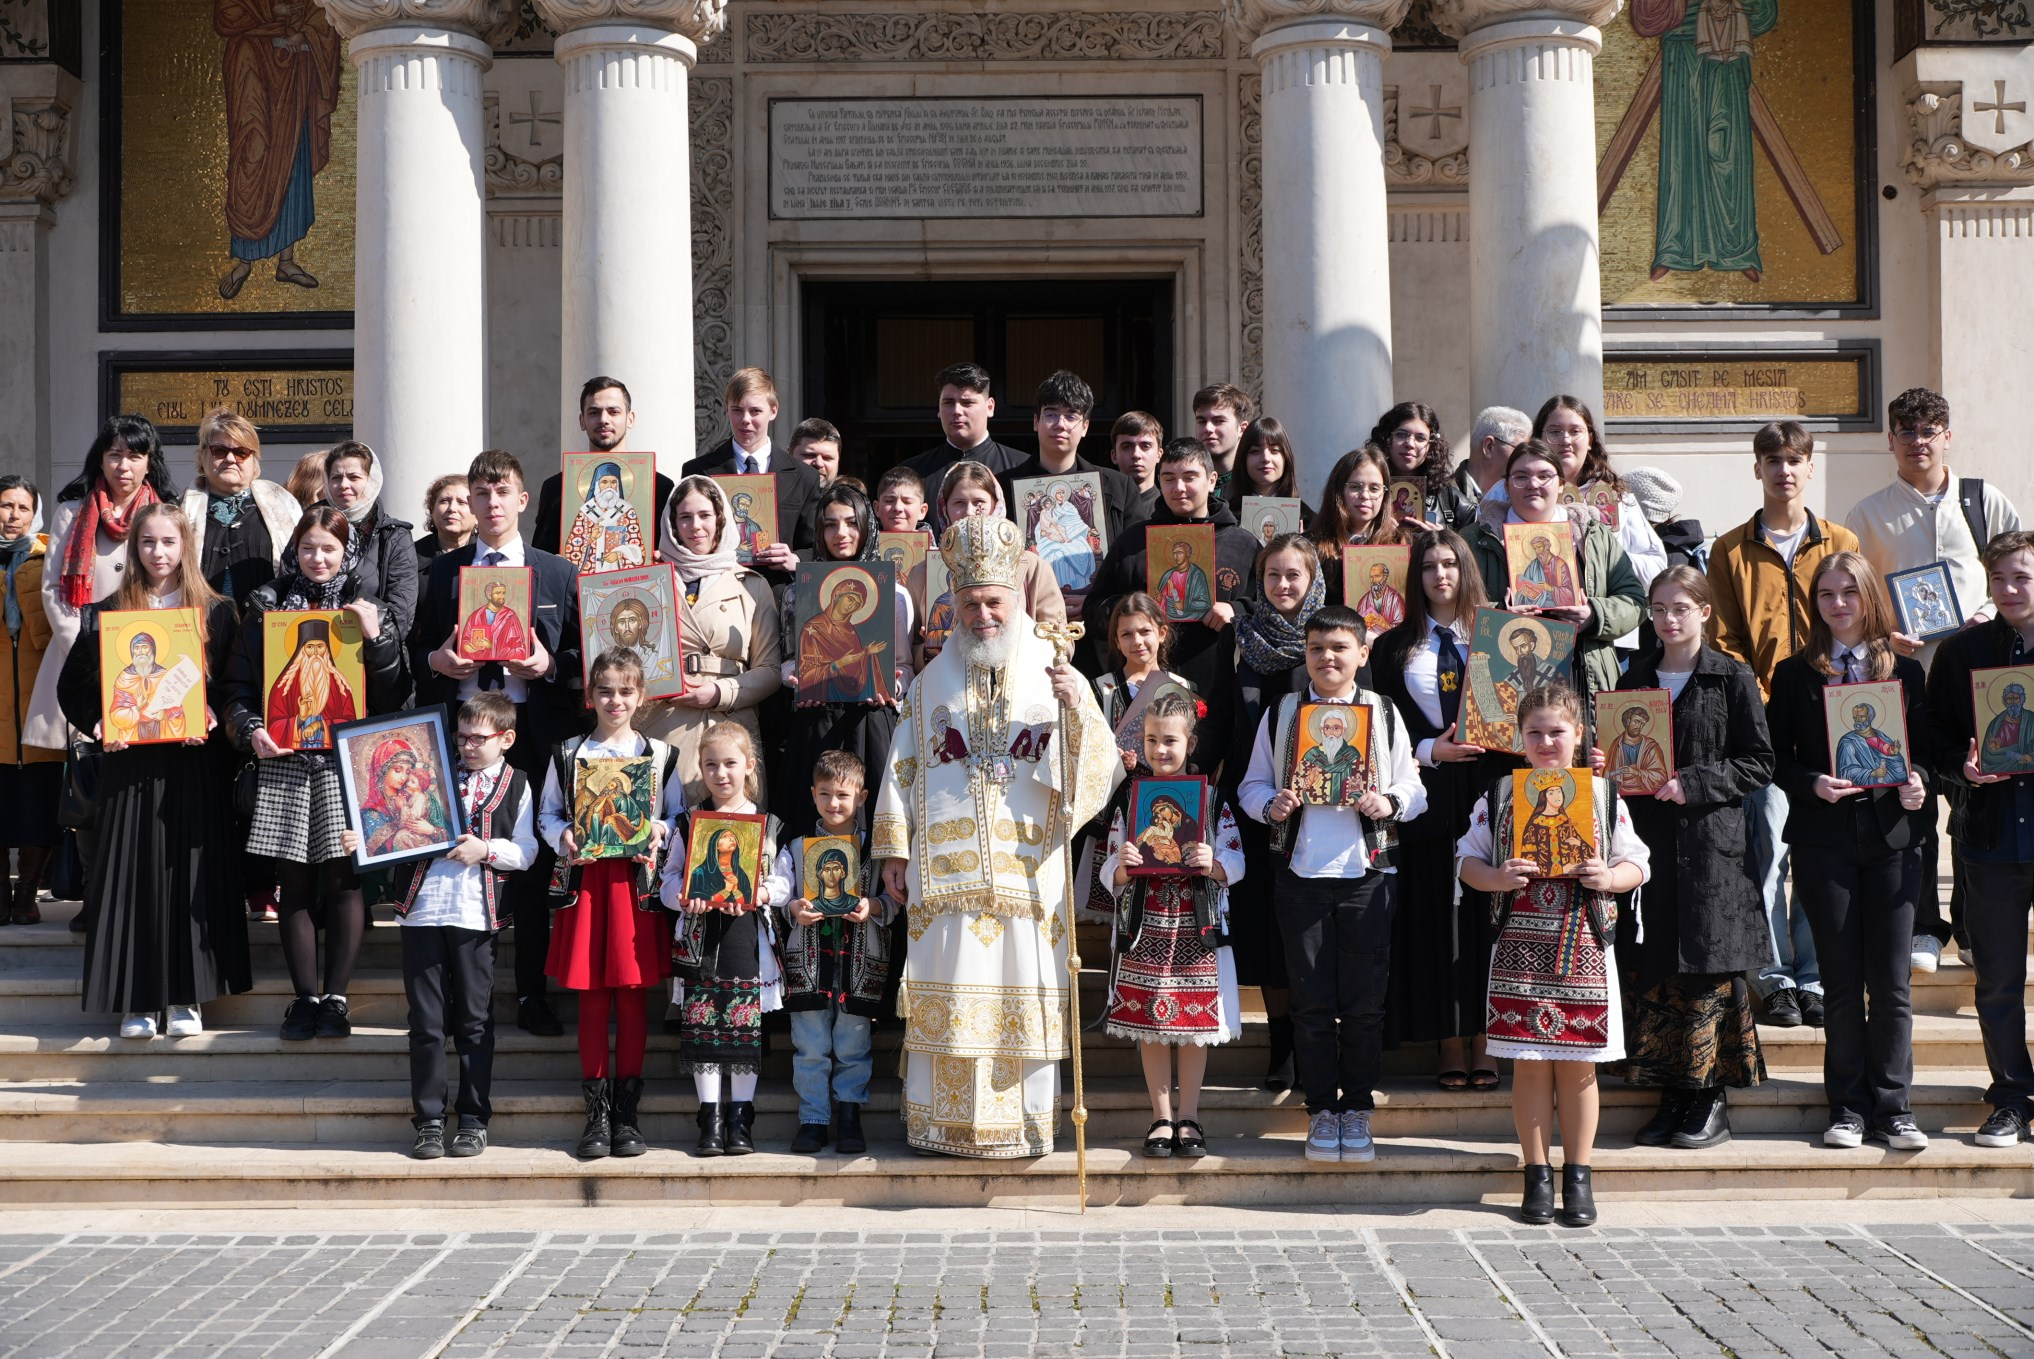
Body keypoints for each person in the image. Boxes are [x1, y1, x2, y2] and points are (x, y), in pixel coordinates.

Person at [874, 513, 1124, 1157]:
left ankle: (1024, 1125)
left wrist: (1076, 715)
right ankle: (943, 1125)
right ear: (953, 604)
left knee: (1022, 983)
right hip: (946, 875)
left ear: (1015, 598)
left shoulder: (1055, 668)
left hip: (1028, 867)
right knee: (953, 982)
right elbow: (903, 765)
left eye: (993, 602)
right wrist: (894, 849)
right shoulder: (929, 683)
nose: (983, 614)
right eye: (970, 603)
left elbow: (1097, 773)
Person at [1457, 683, 1649, 1226]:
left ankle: (1579, 1176)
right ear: (1519, 738)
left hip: (1582, 941)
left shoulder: (1604, 795)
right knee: (1530, 1069)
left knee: (1579, 1067)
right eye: (1535, 733)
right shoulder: (1499, 796)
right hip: (1519, 944)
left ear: (1579, 734)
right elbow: (1465, 862)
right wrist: (1497, 875)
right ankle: (1536, 1174)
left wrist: (1609, 877)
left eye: (1557, 732)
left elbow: (1639, 862)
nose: (1546, 742)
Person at [1240, 605, 1426, 1164]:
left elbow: (1414, 789)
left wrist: (1387, 801)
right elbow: (1251, 786)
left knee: (1364, 1005)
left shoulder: (1384, 713)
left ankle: (1358, 1110)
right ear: (1305, 653)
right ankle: (1321, 1110)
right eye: (1318, 648)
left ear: (1362, 655)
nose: (1328, 658)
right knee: (1311, 1002)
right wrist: (1270, 805)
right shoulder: (1283, 715)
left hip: (1367, 873)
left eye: (1340, 648)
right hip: (1300, 873)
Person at [54, 503, 248, 1037]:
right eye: (147, 543)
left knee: (190, 877)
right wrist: (100, 724)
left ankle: (187, 998)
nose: (158, 553)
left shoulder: (216, 611)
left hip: (194, 762)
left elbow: (236, 688)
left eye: (168, 542)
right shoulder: (108, 612)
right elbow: (72, 688)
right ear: (133, 549)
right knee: (132, 877)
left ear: (185, 546)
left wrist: (212, 712)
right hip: (130, 766)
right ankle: (136, 999)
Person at [1847, 387, 2023, 974]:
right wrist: (1883, 635)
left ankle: (1973, 925)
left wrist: (1991, 616)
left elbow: (2018, 571)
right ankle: (1925, 926)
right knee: (1914, 801)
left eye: (1929, 431)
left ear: (1947, 436)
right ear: (1889, 440)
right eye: (1906, 431)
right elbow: (1857, 595)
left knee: (1983, 791)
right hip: (1908, 677)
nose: (1917, 442)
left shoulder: (1983, 500)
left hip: (1983, 673)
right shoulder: (1868, 514)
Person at [1766, 551, 1936, 1152]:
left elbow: (1929, 752)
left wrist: (1918, 782)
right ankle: (1848, 1109)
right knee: (1839, 982)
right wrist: (1811, 782)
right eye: (1826, 595)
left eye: (1849, 593)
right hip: (1824, 841)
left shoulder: (1906, 673)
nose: (1838, 604)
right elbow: (1773, 757)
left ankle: (1894, 1108)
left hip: (1893, 842)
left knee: (1890, 983)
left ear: (1869, 597)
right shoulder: (1794, 674)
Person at [413, 450, 584, 1039]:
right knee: (460, 855)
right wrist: (438, 659)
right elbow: (417, 651)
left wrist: (548, 665)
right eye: (479, 493)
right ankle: (462, 996)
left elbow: (582, 656)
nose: (489, 504)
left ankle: (532, 993)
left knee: (532, 869)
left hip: (533, 734)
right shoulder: (443, 569)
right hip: (464, 730)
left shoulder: (556, 572)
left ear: (521, 500)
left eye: (500, 491)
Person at [225, 506, 408, 1041]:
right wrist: (251, 728)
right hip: (284, 762)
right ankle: (304, 997)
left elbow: (394, 694)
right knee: (294, 881)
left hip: (346, 764)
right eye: (309, 548)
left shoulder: (367, 608)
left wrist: (377, 640)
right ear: (295, 550)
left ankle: (337, 999)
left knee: (345, 878)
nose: (318, 558)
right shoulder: (265, 606)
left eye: (329, 548)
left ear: (346, 551)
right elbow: (238, 687)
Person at [1609, 567, 1775, 1150]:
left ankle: (1710, 1100)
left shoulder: (1730, 677)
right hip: (1650, 845)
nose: (1668, 619)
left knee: (1705, 966)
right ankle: (1671, 1094)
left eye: (1681, 607)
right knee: (1656, 968)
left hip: (1711, 849)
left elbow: (1759, 762)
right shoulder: (1634, 680)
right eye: (1658, 608)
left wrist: (1695, 782)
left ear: (1705, 611)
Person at [1709, 421, 1855, 1026]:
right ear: (1758, 468)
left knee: (1820, 854)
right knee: (1766, 849)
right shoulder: (1731, 549)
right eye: (1772, 459)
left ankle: (1814, 974)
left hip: (1830, 726)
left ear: (1810, 468)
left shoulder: (1839, 539)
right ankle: (1772, 973)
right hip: (1765, 726)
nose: (1784, 470)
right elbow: (1724, 638)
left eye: (1794, 459)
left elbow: (1854, 617)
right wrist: (1766, 702)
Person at [351, 692, 535, 1160]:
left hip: (476, 914)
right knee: (427, 1023)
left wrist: (486, 850)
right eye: (462, 736)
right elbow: (387, 827)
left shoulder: (518, 784)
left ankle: (473, 1119)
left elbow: (527, 851)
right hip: (422, 910)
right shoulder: (428, 777)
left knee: (474, 1021)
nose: (468, 745)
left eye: (479, 737)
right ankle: (429, 1120)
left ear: (506, 739)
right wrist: (363, 840)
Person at [1370, 527, 1513, 1091]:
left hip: (1491, 788)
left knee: (1489, 918)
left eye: (1450, 563)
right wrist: (1432, 749)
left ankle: (1488, 1038)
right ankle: (1450, 1041)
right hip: (1427, 793)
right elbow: (1381, 727)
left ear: (1467, 569)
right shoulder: (1393, 645)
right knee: (1437, 918)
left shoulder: (1499, 634)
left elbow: (1527, 707)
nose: (1440, 575)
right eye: (1429, 566)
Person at [541, 647, 684, 1160]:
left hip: (636, 887)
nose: (615, 700)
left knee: (630, 997)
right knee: (593, 999)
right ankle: (596, 1115)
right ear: (590, 696)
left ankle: (627, 1114)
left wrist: (657, 834)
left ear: (641, 696)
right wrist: (565, 838)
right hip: (587, 886)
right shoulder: (568, 753)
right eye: (605, 690)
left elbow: (677, 816)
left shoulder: (662, 755)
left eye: (625, 691)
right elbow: (548, 815)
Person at [1926, 531, 2034, 1150]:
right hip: (1989, 837)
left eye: (2022, 577)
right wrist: (1959, 767)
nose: (2010, 590)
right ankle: (2013, 1097)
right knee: (1996, 979)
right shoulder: (1963, 651)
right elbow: (1933, 731)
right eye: (2000, 580)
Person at [1102, 691, 1245, 1157]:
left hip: (1195, 925)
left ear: (1191, 742)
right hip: (1146, 924)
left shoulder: (1213, 799)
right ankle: (1161, 1116)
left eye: (1169, 740)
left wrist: (1214, 862)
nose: (1160, 750)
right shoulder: (1131, 798)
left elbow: (1237, 857)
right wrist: (1122, 865)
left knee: (1192, 1024)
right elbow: (1110, 865)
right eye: (1151, 740)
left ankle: (1190, 1116)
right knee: (1150, 1024)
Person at [1085, 438, 1257, 764]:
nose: (1179, 487)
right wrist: (1134, 611)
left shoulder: (1243, 544)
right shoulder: (1134, 541)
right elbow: (1094, 611)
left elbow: (1268, 609)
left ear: (1211, 480)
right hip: (1142, 703)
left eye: (1190, 477)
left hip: (1217, 695)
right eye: (1168, 478)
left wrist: (1235, 610)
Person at [1228, 533, 1327, 1091]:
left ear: (1312, 579)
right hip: (1255, 802)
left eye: (1294, 575)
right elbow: (1222, 712)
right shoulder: (1243, 639)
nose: (1283, 585)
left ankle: (1317, 1039)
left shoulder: (1330, 640)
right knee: (1267, 926)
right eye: (1272, 576)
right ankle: (1281, 1042)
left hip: (1324, 807)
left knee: (1312, 926)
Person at [663, 721, 786, 1157]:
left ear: (749, 766)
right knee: (703, 1029)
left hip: (745, 939)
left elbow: (784, 883)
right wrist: (682, 898)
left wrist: (760, 893)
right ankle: (710, 1120)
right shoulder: (688, 822)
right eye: (711, 764)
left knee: (741, 1031)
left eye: (731, 763)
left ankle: (740, 1120)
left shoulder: (767, 824)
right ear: (701, 768)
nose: (721, 773)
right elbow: (670, 878)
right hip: (701, 938)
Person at [25, 416, 180, 761]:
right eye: (114, 455)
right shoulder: (72, 512)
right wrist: (90, 650)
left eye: (135, 456)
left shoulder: (166, 515)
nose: (123, 466)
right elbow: (53, 589)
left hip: (147, 660)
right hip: (82, 656)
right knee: (84, 769)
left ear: (149, 463)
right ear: (100, 459)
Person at [775, 749, 898, 1154]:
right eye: (825, 793)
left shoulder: (878, 851)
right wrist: (794, 908)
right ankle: (812, 1118)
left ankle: (849, 1114)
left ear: (861, 798)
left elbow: (897, 900)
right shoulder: (794, 847)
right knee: (810, 1045)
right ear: (812, 794)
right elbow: (779, 897)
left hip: (858, 965)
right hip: (808, 963)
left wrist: (873, 906)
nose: (834, 803)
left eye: (843, 795)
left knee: (852, 1044)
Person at [1465, 439, 1646, 709]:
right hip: (1505, 670)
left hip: (1582, 670)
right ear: (1506, 485)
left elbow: (1634, 600)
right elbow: (1452, 610)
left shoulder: (1592, 535)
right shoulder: (1475, 540)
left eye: (1544, 476)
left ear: (1561, 484)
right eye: (1521, 476)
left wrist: (1594, 614)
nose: (1533, 484)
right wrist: (1501, 613)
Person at [775, 483, 912, 839]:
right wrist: (795, 677)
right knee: (812, 818)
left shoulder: (894, 594)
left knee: (873, 818)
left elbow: (905, 666)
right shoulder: (797, 592)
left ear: (867, 526)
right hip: (817, 718)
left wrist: (891, 685)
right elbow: (790, 658)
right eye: (830, 524)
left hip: (870, 720)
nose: (842, 533)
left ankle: (873, 893)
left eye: (852, 523)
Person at [644, 476, 782, 808]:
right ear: (672, 524)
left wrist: (718, 692)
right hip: (665, 720)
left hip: (730, 726)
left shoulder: (751, 584)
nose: (696, 526)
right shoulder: (645, 581)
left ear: (720, 519)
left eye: (705, 515)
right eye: (685, 517)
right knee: (666, 835)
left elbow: (770, 669)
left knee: (734, 841)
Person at [214, 0, 342, 298]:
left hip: (294, 69)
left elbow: (326, 12)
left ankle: (287, 261)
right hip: (251, 67)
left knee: (293, 156)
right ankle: (243, 261)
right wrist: (274, 12)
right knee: (252, 153)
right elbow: (225, 16)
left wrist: (305, 34)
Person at [916, 462, 1066, 672]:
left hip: (1019, 684)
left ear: (996, 504)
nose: (969, 512)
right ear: (945, 508)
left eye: (979, 501)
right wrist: (928, 650)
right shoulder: (922, 572)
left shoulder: (1032, 567)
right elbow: (908, 651)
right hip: (948, 688)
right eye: (959, 502)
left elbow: (1061, 640)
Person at [680, 368, 822, 582]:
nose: (745, 419)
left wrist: (794, 559)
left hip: (777, 595)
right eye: (737, 410)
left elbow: (816, 546)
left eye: (755, 411)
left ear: (773, 411)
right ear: (727, 410)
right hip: (717, 591)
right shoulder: (697, 472)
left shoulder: (805, 477)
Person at [1531, 395, 1669, 608]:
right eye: (1554, 432)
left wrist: (1603, 556)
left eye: (1575, 431)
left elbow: (1657, 566)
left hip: (1608, 622)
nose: (1565, 440)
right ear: (1539, 439)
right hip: (1539, 617)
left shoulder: (1617, 498)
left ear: (1590, 440)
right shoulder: (1519, 492)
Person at [0, 477, 59, 924]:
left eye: (22, 507)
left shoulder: (49, 557)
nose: (12, 515)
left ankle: (27, 893)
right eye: (4, 506)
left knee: (39, 802)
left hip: (38, 698)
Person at [533, 377, 675, 560]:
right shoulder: (557, 488)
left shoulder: (659, 487)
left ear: (630, 419)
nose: (603, 420)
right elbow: (542, 558)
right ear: (582, 421)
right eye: (594, 413)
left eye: (613, 412)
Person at [178, 408, 304, 605]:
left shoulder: (283, 504)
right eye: (219, 451)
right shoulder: (179, 509)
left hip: (267, 628)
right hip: (200, 628)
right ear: (202, 457)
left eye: (241, 452)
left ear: (254, 462)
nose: (230, 459)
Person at [903, 362, 1029, 535]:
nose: (957, 411)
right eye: (948, 402)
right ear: (938, 409)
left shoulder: (1023, 469)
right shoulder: (912, 474)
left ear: (990, 407)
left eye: (967, 402)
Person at [1309, 445, 1404, 607]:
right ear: (1339, 491)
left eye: (1374, 488)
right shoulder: (1311, 546)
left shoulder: (1399, 544)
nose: (1365, 495)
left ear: (1385, 495)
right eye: (1355, 487)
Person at [1372, 401, 1474, 532]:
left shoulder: (1451, 500)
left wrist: (1444, 541)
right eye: (1401, 434)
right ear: (1385, 437)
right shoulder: (1363, 494)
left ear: (1431, 446)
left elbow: (1473, 550)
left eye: (1420, 438)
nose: (1410, 444)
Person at [1225, 416, 1316, 525]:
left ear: (1286, 458)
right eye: (1255, 451)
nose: (1266, 458)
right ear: (1243, 459)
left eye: (1274, 450)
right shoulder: (1226, 518)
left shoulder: (1309, 520)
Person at [561, 460, 647, 574]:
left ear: (618, 484)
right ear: (597, 485)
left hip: (618, 576)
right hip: (591, 574)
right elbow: (571, 549)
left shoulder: (627, 510)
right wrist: (590, 538)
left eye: (613, 482)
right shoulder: (586, 511)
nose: (609, 486)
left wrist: (619, 555)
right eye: (604, 482)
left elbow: (637, 548)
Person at [1192, 383, 1254, 502]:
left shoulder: (1256, 486)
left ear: (1242, 428)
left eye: (1218, 421)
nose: (1208, 429)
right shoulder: (1185, 486)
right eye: (1201, 421)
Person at [1455, 406, 1530, 504]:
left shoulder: (1524, 500)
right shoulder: (1441, 497)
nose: (1526, 459)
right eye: (1520, 450)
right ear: (1489, 446)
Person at [1110, 412, 1165, 529]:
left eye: (1145, 446)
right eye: (1127, 447)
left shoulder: (1170, 508)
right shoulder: (1102, 507)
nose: (1136, 455)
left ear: (1159, 454)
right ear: (1114, 456)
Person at [414, 474, 473, 579]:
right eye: (444, 501)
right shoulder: (410, 556)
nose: (452, 508)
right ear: (432, 509)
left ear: (477, 512)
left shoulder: (489, 556)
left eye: (462, 502)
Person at [1604, 704, 1671, 796]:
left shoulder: (1651, 746)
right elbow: (1607, 771)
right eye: (1636, 721)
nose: (1639, 726)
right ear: (1628, 721)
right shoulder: (1616, 744)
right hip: (1619, 794)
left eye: (1642, 724)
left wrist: (1636, 772)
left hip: (1648, 795)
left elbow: (1661, 777)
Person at [460, 580, 528, 659]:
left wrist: (491, 646)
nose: (502, 596)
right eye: (498, 593)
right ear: (489, 595)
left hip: (506, 667)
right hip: (477, 666)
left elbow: (520, 648)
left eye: (503, 593)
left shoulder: (510, 616)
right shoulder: (476, 616)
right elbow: (466, 640)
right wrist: (467, 647)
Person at [873, 466, 930, 535]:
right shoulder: (862, 545)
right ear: (877, 508)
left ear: (922, 511)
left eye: (907, 502)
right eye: (889, 501)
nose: (897, 507)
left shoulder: (939, 546)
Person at [788, 418, 843, 487]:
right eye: (809, 455)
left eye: (827, 458)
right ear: (789, 456)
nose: (819, 463)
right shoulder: (773, 495)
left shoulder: (853, 497)